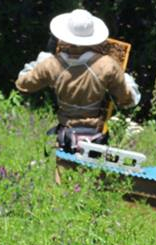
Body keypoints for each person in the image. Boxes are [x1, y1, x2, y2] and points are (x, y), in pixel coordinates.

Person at [15, 9, 141, 152]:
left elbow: (23, 84)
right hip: (96, 137)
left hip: (65, 135)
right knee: (88, 175)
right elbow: (128, 101)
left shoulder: (51, 64)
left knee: (63, 173)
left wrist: (41, 60)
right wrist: (127, 80)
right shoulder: (108, 65)